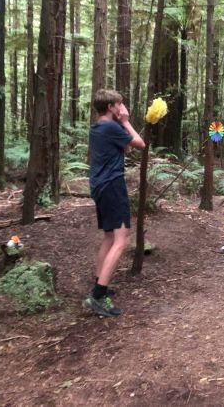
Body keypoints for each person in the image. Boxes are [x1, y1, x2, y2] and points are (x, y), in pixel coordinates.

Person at [82, 89, 145, 317]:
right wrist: (126, 122)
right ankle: (98, 296)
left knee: (109, 236)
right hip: (112, 186)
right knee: (122, 239)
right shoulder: (111, 126)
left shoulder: (98, 127)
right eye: (119, 104)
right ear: (110, 107)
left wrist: (123, 128)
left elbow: (125, 148)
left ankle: (101, 283)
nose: (122, 108)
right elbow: (140, 143)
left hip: (100, 185)